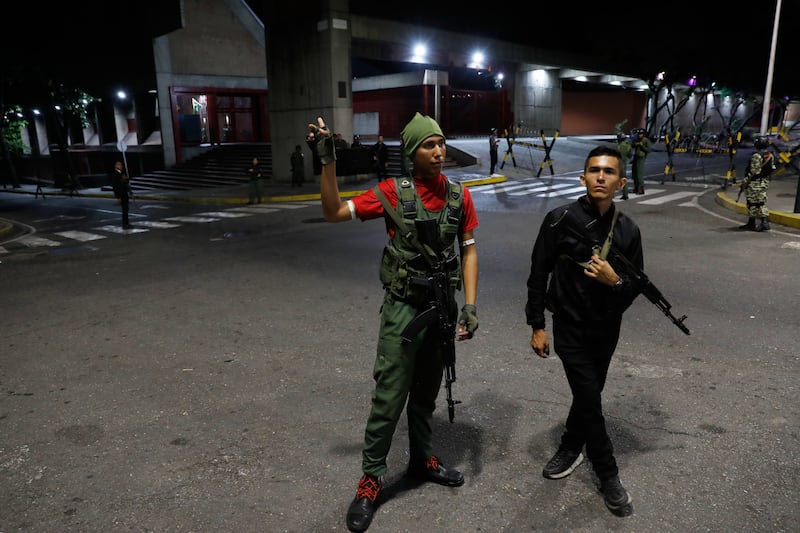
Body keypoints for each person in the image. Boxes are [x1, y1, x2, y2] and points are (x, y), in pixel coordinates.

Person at [306, 112, 479, 533]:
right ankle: (369, 481)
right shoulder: (389, 193)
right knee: (389, 398)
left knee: (425, 394)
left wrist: (470, 307)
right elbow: (331, 211)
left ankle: (421, 460)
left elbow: (469, 250)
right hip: (403, 310)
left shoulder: (460, 197)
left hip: (441, 309)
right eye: (428, 145)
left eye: (440, 143)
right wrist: (328, 159)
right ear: (411, 152)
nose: (438, 152)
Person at [525, 145, 641, 517]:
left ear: (621, 182)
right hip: (569, 328)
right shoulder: (560, 219)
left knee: (586, 398)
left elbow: (635, 286)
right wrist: (537, 325)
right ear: (583, 178)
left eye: (609, 172)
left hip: (607, 330)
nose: (601, 177)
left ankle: (571, 444)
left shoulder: (628, 230)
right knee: (590, 398)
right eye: (594, 170)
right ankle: (608, 473)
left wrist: (614, 282)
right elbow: (538, 272)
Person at [738, 135, 775, 232]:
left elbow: (754, 172)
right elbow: (771, 169)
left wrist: (745, 182)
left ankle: (764, 223)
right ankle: (751, 222)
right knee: (753, 202)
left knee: (758, 203)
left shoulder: (756, 156)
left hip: (755, 182)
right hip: (764, 181)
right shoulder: (770, 155)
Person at [110, 160, 132, 229]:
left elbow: (125, 182)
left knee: (126, 209)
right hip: (121, 194)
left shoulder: (122, 173)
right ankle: (125, 224)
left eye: (121, 165)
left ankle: (127, 223)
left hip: (125, 193)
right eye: (119, 165)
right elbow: (115, 186)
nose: (121, 166)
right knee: (124, 210)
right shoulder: (115, 174)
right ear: (116, 166)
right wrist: (118, 197)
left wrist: (127, 179)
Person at [630, 129, 652, 194]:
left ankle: (641, 189)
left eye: (641, 134)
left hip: (641, 158)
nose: (639, 135)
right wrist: (635, 144)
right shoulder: (637, 139)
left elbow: (649, 150)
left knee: (639, 174)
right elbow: (632, 145)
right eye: (639, 134)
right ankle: (636, 188)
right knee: (634, 174)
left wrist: (642, 146)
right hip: (636, 157)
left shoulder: (646, 140)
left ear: (643, 134)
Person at [615, 132, 632, 200]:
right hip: (624, 164)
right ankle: (625, 194)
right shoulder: (628, 146)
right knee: (624, 180)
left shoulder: (618, 146)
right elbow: (630, 155)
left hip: (618, 164)